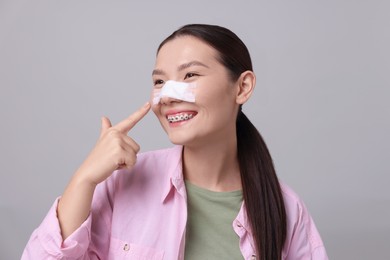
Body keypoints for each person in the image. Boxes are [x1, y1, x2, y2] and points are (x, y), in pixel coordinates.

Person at [22, 24, 328, 260]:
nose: (167, 95)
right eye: (159, 81)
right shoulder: (122, 182)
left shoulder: (286, 208)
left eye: (190, 74)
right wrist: (84, 179)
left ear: (243, 87)